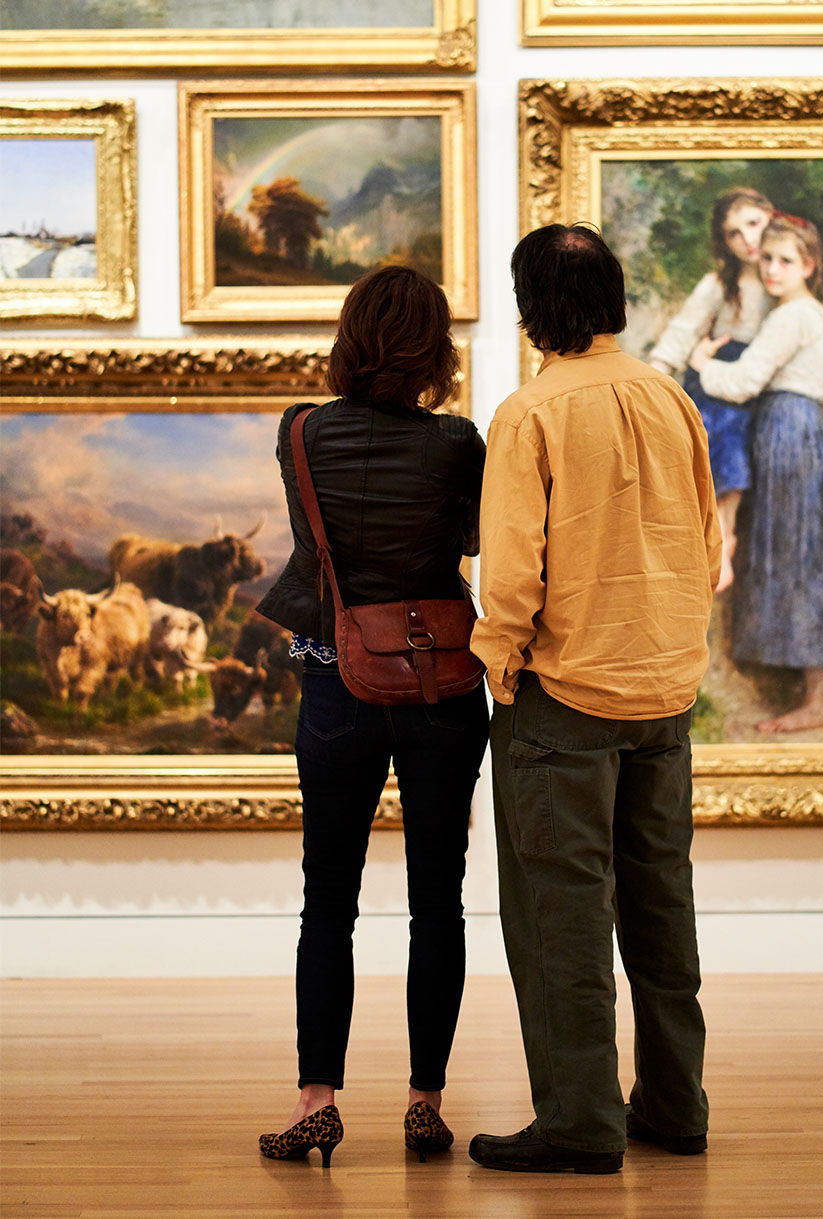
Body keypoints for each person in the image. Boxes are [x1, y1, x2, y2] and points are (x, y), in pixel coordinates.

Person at [467, 224, 721, 1174]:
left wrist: (497, 661)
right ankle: (673, 1104)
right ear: (613, 300)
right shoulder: (671, 397)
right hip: (663, 687)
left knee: (560, 915)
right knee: (660, 901)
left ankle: (578, 1121)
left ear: (532, 307)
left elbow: (513, 570)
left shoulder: (527, 415)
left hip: (564, 697)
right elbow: (706, 544)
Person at [255, 266, 489, 1165]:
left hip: (336, 677)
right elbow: (468, 541)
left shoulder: (301, 429)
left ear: (350, 339)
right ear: (435, 350)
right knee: (439, 901)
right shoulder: (457, 440)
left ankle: (318, 1097)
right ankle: (425, 1102)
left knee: (329, 903)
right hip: (440, 685)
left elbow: (318, 542)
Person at [688, 214, 823, 732]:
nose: (772, 268)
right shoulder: (805, 312)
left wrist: (701, 365)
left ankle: (816, 699)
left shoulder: (793, 315)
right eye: (766, 258)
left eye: (785, 260)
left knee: (800, 557)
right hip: (801, 430)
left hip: (788, 433)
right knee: (812, 551)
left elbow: (745, 381)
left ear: (809, 265)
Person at [650, 187, 823, 593]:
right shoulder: (721, 283)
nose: (749, 240)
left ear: (772, 217)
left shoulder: (785, 279)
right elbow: (681, 334)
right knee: (726, 435)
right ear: (725, 243)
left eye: (753, 224)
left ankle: (729, 540)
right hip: (720, 382)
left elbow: (803, 337)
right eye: (735, 234)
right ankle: (723, 540)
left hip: (758, 389)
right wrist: (656, 377)